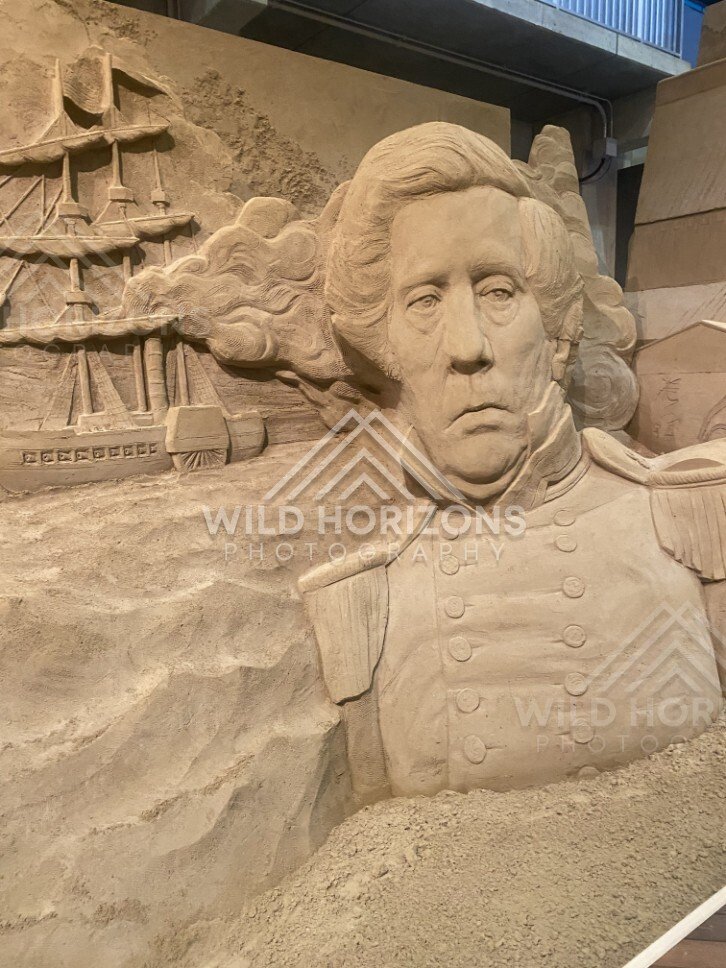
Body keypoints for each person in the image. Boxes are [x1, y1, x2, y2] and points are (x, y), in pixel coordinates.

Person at [296, 124, 726, 803]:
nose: (467, 347)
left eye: (497, 291)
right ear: (385, 351)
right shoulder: (363, 597)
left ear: (556, 334)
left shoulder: (688, 520)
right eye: (424, 301)